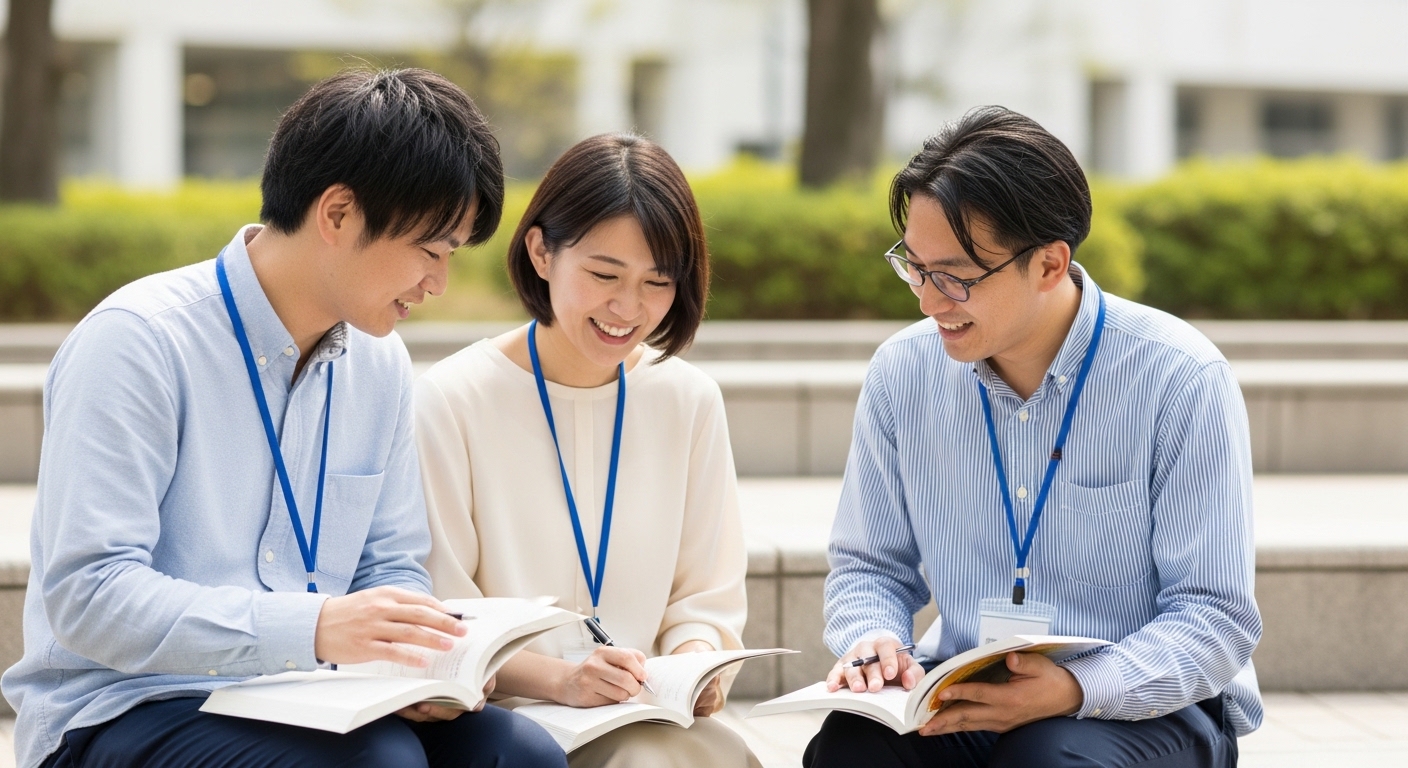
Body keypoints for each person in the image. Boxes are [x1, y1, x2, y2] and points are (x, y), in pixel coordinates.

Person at [1, 69, 566, 768]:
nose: (438, 282)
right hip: (123, 709)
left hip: (312, 696)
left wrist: (421, 662)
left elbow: (388, 562)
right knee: (377, 763)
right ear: (337, 214)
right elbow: (89, 597)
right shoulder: (138, 342)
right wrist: (319, 626)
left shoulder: (379, 363)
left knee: (518, 753)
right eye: (431, 249)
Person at [801, 106, 1261, 768]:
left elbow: (1215, 619)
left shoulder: (1179, 378)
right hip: (968, 685)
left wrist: (1074, 686)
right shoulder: (904, 373)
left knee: (1047, 759)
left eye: (956, 276)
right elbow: (871, 565)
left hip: (1150, 701)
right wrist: (874, 639)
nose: (929, 301)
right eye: (915, 267)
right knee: (849, 751)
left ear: (1049, 264)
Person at [415, 133, 759, 768]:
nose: (627, 308)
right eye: (604, 274)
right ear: (541, 252)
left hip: (644, 712)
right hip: (501, 723)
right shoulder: (451, 399)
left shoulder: (687, 400)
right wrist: (560, 680)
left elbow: (704, 598)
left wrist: (693, 664)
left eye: (658, 282)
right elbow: (445, 618)